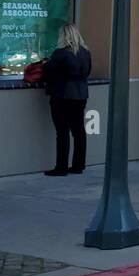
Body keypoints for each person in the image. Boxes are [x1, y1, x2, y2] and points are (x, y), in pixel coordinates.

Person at [42, 22, 92, 175]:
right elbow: (88, 72)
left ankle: (61, 167)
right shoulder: (85, 52)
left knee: (62, 131)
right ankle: (78, 165)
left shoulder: (61, 53)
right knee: (79, 131)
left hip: (62, 95)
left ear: (63, 36)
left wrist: (45, 64)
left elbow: (49, 71)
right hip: (81, 94)